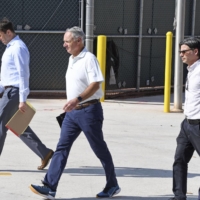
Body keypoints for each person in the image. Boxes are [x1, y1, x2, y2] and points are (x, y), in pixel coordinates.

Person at [29, 26, 121, 199]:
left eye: (67, 41)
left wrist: (77, 99)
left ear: (79, 41)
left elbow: (95, 84)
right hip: (72, 114)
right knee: (61, 148)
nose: (64, 45)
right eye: (64, 41)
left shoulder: (89, 58)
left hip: (89, 111)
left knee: (99, 149)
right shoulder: (72, 59)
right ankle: (49, 186)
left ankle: (112, 184)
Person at [0, 18, 54, 170]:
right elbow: (8, 75)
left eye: (0, 35)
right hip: (9, 91)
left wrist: (22, 99)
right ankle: (44, 153)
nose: (0, 38)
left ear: (8, 32)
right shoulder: (10, 47)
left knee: (0, 123)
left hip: (14, 92)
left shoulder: (18, 48)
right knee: (19, 125)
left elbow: (23, 75)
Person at [169, 37, 200, 200]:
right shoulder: (192, 70)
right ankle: (179, 196)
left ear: (195, 52)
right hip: (187, 124)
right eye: (180, 51)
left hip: (198, 125)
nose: (180, 54)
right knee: (179, 160)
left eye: (184, 51)